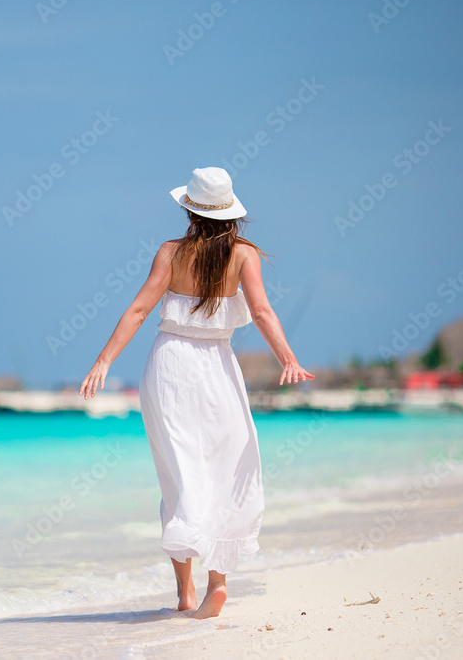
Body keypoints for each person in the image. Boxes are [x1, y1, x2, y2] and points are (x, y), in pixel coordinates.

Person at [79, 167, 314, 619]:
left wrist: (103, 361)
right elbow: (262, 311)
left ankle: (186, 594)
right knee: (223, 470)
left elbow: (139, 309)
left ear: (189, 208)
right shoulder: (245, 255)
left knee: (179, 476)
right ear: (231, 214)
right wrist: (287, 357)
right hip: (218, 367)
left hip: (169, 367)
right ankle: (217, 585)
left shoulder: (170, 252)